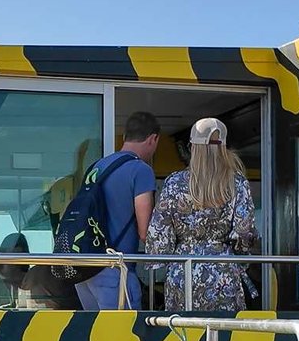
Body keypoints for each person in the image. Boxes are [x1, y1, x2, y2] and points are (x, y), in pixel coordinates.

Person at [147, 117, 257, 311]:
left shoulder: (175, 183)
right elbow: (244, 232)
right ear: (224, 146)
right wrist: (240, 258)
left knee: (183, 334)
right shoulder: (237, 183)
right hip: (223, 271)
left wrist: (161, 259)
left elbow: (159, 232)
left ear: (192, 146)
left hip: (183, 271)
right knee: (224, 335)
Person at [76, 112, 162, 309]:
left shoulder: (96, 167)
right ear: (153, 139)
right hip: (115, 270)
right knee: (125, 337)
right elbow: (144, 231)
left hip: (86, 271)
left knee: (96, 336)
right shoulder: (141, 170)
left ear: (124, 137)